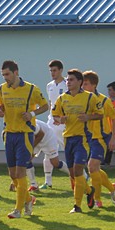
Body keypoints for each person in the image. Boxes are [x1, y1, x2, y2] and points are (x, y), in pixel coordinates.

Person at [0, 60, 48, 218]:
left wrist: (32, 114)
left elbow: (45, 106)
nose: (5, 77)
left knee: (20, 173)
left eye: (7, 74)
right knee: (12, 174)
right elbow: (1, 106)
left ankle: (18, 210)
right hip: (9, 134)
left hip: (24, 134)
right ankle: (29, 199)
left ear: (16, 72)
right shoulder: (2, 89)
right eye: (3, 75)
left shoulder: (31, 89)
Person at [51, 69, 102, 213]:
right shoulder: (62, 98)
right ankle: (89, 191)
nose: (68, 82)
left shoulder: (90, 97)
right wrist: (60, 119)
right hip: (68, 139)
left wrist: (88, 117)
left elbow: (100, 114)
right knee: (73, 174)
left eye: (71, 79)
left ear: (80, 82)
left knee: (78, 169)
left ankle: (77, 206)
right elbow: (55, 115)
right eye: (67, 80)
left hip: (83, 138)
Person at [81, 71, 115, 207]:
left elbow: (114, 118)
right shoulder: (82, 100)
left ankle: (97, 199)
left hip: (101, 138)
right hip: (87, 138)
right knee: (94, 169)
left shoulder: (104, 100)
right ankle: (112, 188)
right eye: (82, 84)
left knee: (92, 167)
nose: (83, 86)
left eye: (86, 84)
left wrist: (114, 138)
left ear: (94, 85)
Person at [41, 60, 68, 188]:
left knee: (69, 150)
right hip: (51, 122)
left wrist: (63, 119)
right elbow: (51, 104)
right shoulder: (49, 85)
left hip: (64, 123)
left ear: (61, 70)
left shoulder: (67, 84)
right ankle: (48, 181)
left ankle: (81, 175)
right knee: (48, 150)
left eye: (55, 70)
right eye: (51, 71)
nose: (52, 73)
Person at [28, 119, 65, 188]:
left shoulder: (30, 122)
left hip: (48, 138)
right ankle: (34, 185)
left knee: (55, 163)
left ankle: (73, 175)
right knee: (26, 160)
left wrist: (31, 148)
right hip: (35, 139)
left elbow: (41, 134)